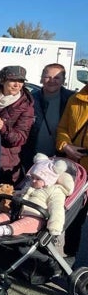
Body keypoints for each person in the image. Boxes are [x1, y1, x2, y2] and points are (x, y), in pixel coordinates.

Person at [0, 153, 73, 237]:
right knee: (5, 216)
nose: (33, 180)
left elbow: (57, 209)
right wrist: (14, 194)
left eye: (37, 179)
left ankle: (3, 230)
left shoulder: (56, 191)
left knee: (24, 224)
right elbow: (22, 193)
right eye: (32, 177)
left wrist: (55, 227)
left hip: (36, 218)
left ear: (48, 179)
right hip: (18, 213)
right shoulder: (32, 186)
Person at [0, 65, 34, 187]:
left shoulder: (26, 106)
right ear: (3, 81)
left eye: (20, 81)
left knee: (2, 203)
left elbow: (21, 138)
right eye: (13, 80)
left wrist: (3, 128)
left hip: (7, 164)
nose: (17, 85)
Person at [57, 82, 88, 257]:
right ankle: (69, 258)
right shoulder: (75, 99)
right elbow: (62, 128)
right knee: (74, 216)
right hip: (76, 168)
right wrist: (65, 146)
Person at [22, 63, 76, 165]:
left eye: (57, 78)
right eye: (47, 77)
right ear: (41, 79)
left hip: (62, 158)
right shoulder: (30, 100)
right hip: (32, 158)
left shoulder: (72, 99)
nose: (52, 81)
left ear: (63, 80)